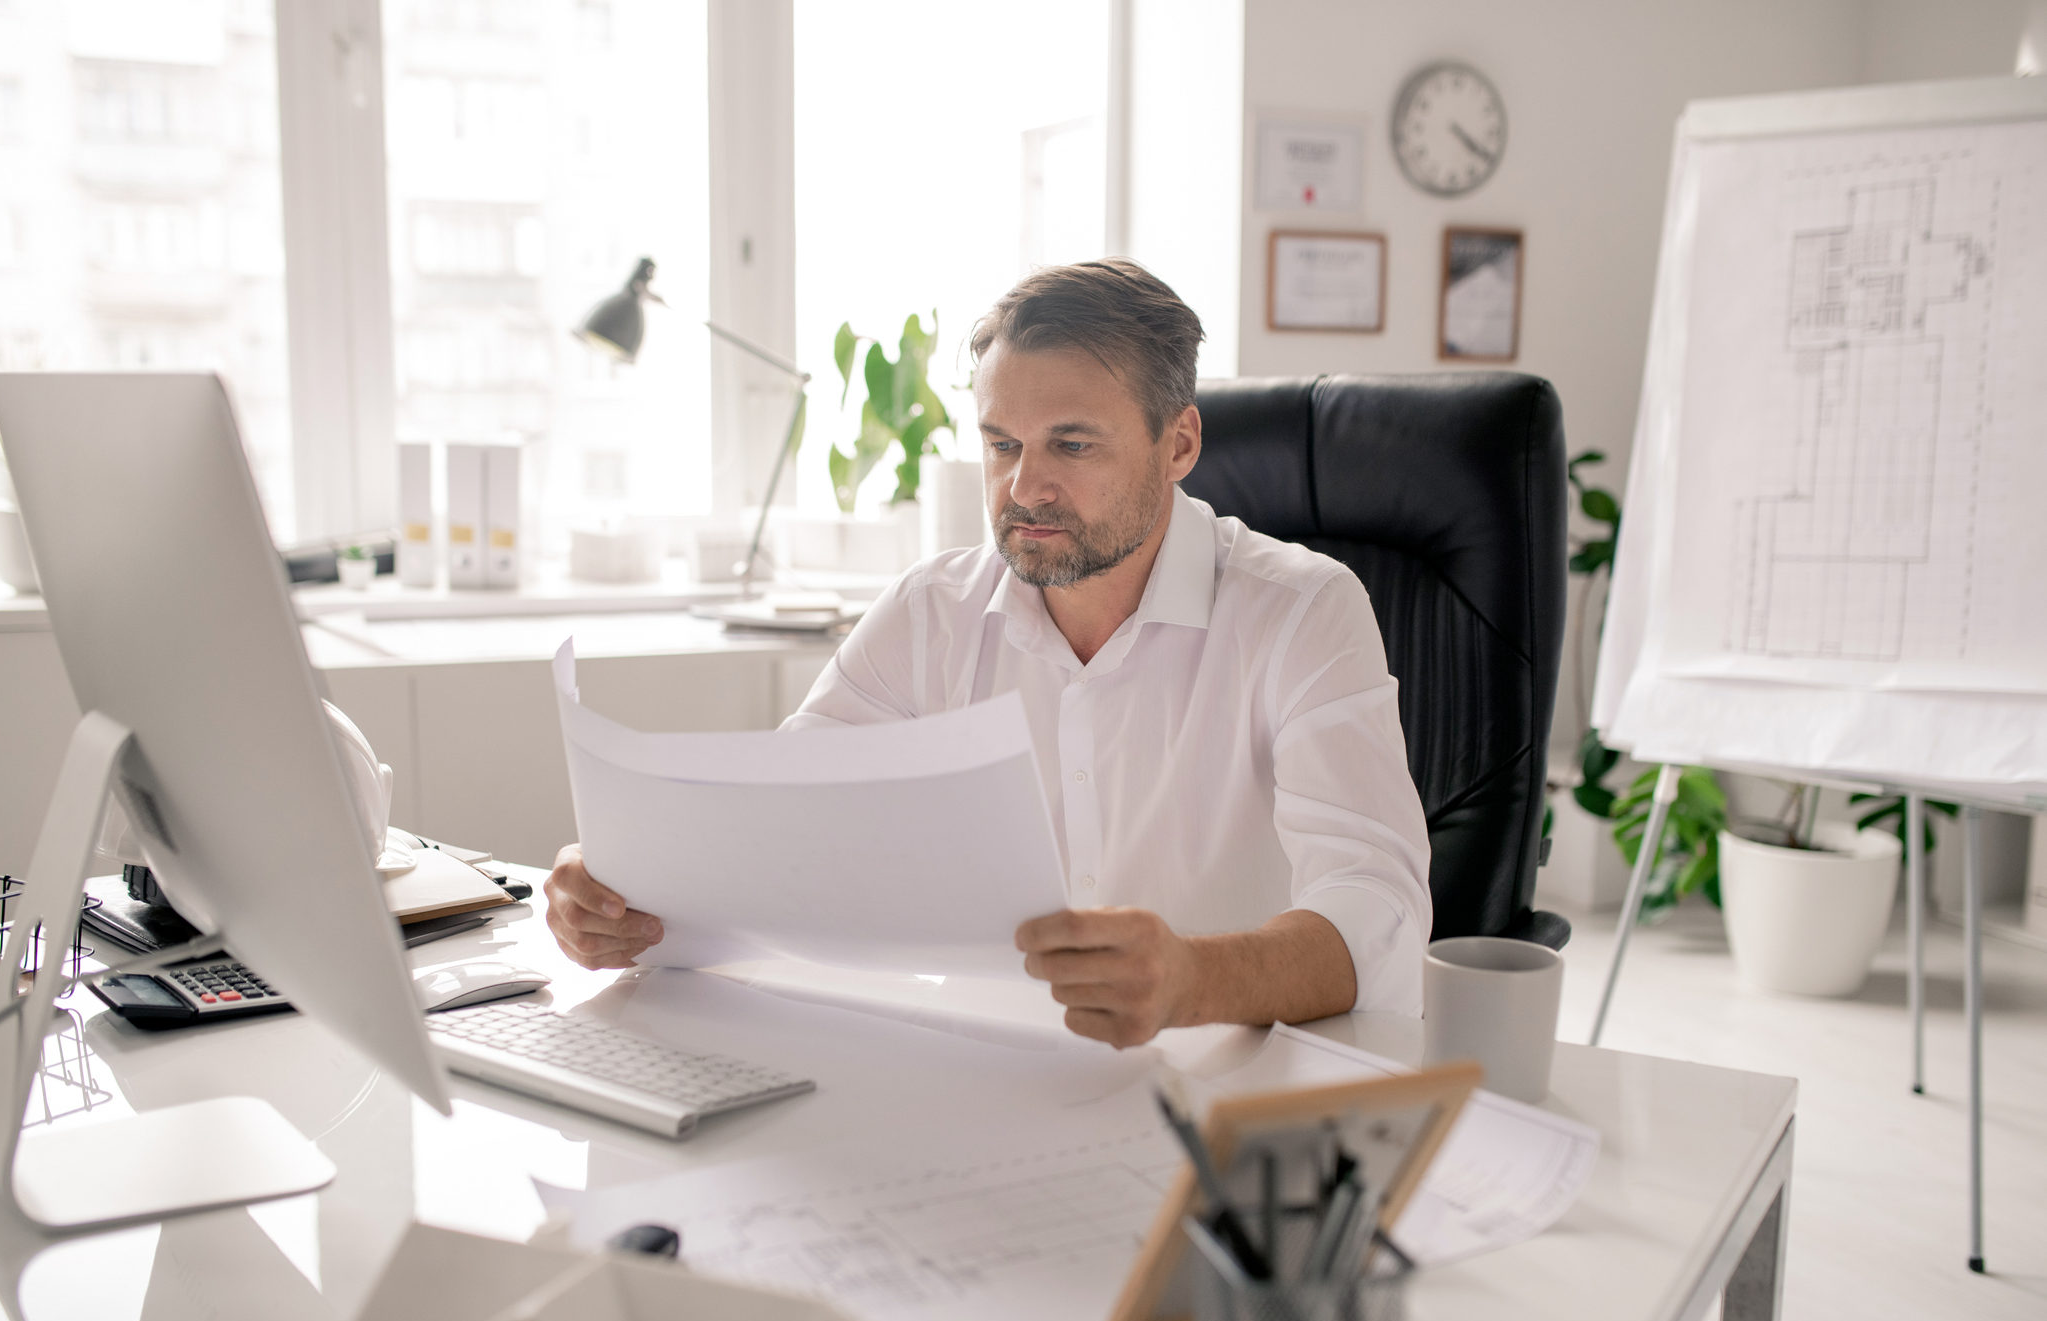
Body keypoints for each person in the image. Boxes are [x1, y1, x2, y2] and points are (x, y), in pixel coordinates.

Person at [545, 258, 1432, 1047]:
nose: (1024, 486)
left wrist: (1189, 978)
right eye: (1001, 444)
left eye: (1071, 445)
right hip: (982, 1073)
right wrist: (629, 898)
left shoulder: (1303, 611)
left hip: (1222, 1084)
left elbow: (1377, 910)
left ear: (1179, 444)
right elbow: (779, 831)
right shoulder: (931, 610)